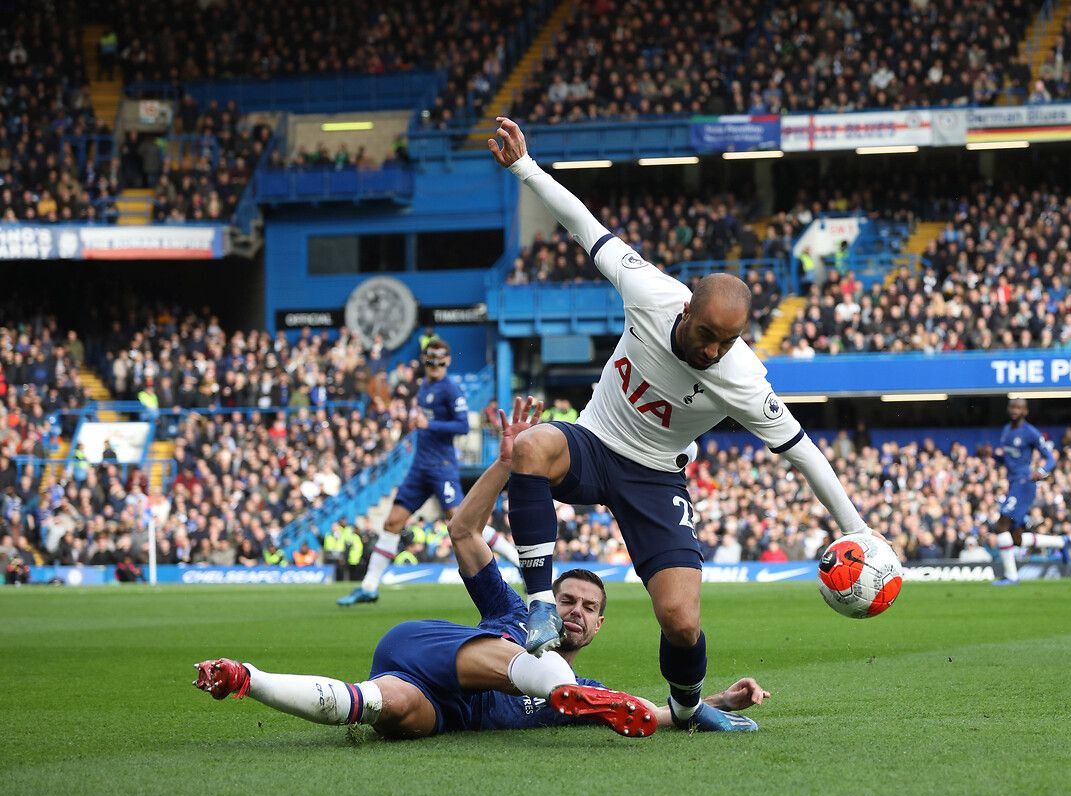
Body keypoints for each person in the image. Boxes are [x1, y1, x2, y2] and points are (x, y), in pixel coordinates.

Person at [488, 117, 874, 732]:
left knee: (681, 620)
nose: (715, 351)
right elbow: (584, 224)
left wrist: (860, 528)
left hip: (655, 480)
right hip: (594, 443)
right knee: (532, 446)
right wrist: (524, 167)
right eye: (707, 335)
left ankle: (691, 709)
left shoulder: (744, 378)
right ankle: (538, 606)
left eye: (728, 342)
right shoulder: (648, 289)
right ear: (686, 308)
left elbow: (802, 452)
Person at [195, 397, 769, 738]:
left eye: (588, 609)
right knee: (549, 678)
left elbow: (645, 715)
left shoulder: (579, 688)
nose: (575, 612)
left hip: (439, 702)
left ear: (598, 628)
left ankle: (246, 679)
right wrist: (504, 463)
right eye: (567, 599)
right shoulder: (509, 608)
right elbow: (463, 531)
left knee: (384, 709)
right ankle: (545, 680)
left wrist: (711, 703)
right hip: (427, 648)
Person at [339, 339, 520, 605]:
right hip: (419, 467)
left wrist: (429, 423)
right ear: (424, 360)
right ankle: (369, 586)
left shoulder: (450, 389)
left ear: (447, 361)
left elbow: (461, 426)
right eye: (430, 358)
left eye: (439, 358)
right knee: (392, 523)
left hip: (441, 468)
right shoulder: (424, 387)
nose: (434, 363)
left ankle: (518, 562)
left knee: (463, 524)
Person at [990, 398, 1071, 585]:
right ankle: (1061, 542)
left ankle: (1011, 576)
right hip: (1013, 483)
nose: (1014, 410)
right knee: (1015, 538)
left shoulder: (1031, 433)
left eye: (1019, 407)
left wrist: (1041, 472)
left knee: (1001, 525)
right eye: (1012, 406)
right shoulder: (1006, 430)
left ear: (1025, 411)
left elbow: (1051, 459)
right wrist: (993, 456)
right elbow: (1009, 460)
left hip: (1024, 484)